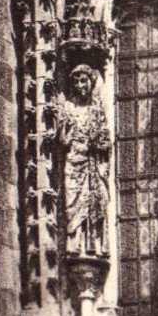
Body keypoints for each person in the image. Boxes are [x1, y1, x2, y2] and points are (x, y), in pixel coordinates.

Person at [55, 65, 111, 258]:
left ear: (91, 82)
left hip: (92, 162)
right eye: (76, 81)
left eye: (84, 81)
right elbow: (62, 140)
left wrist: (98, 141)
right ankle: (75, 243)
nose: (80, 86)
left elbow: (105, 139)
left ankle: (93, 245)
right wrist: (68, 132)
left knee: (94, 200)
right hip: (73, 161)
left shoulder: (96, 109)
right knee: (74, 202)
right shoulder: (68, 106)